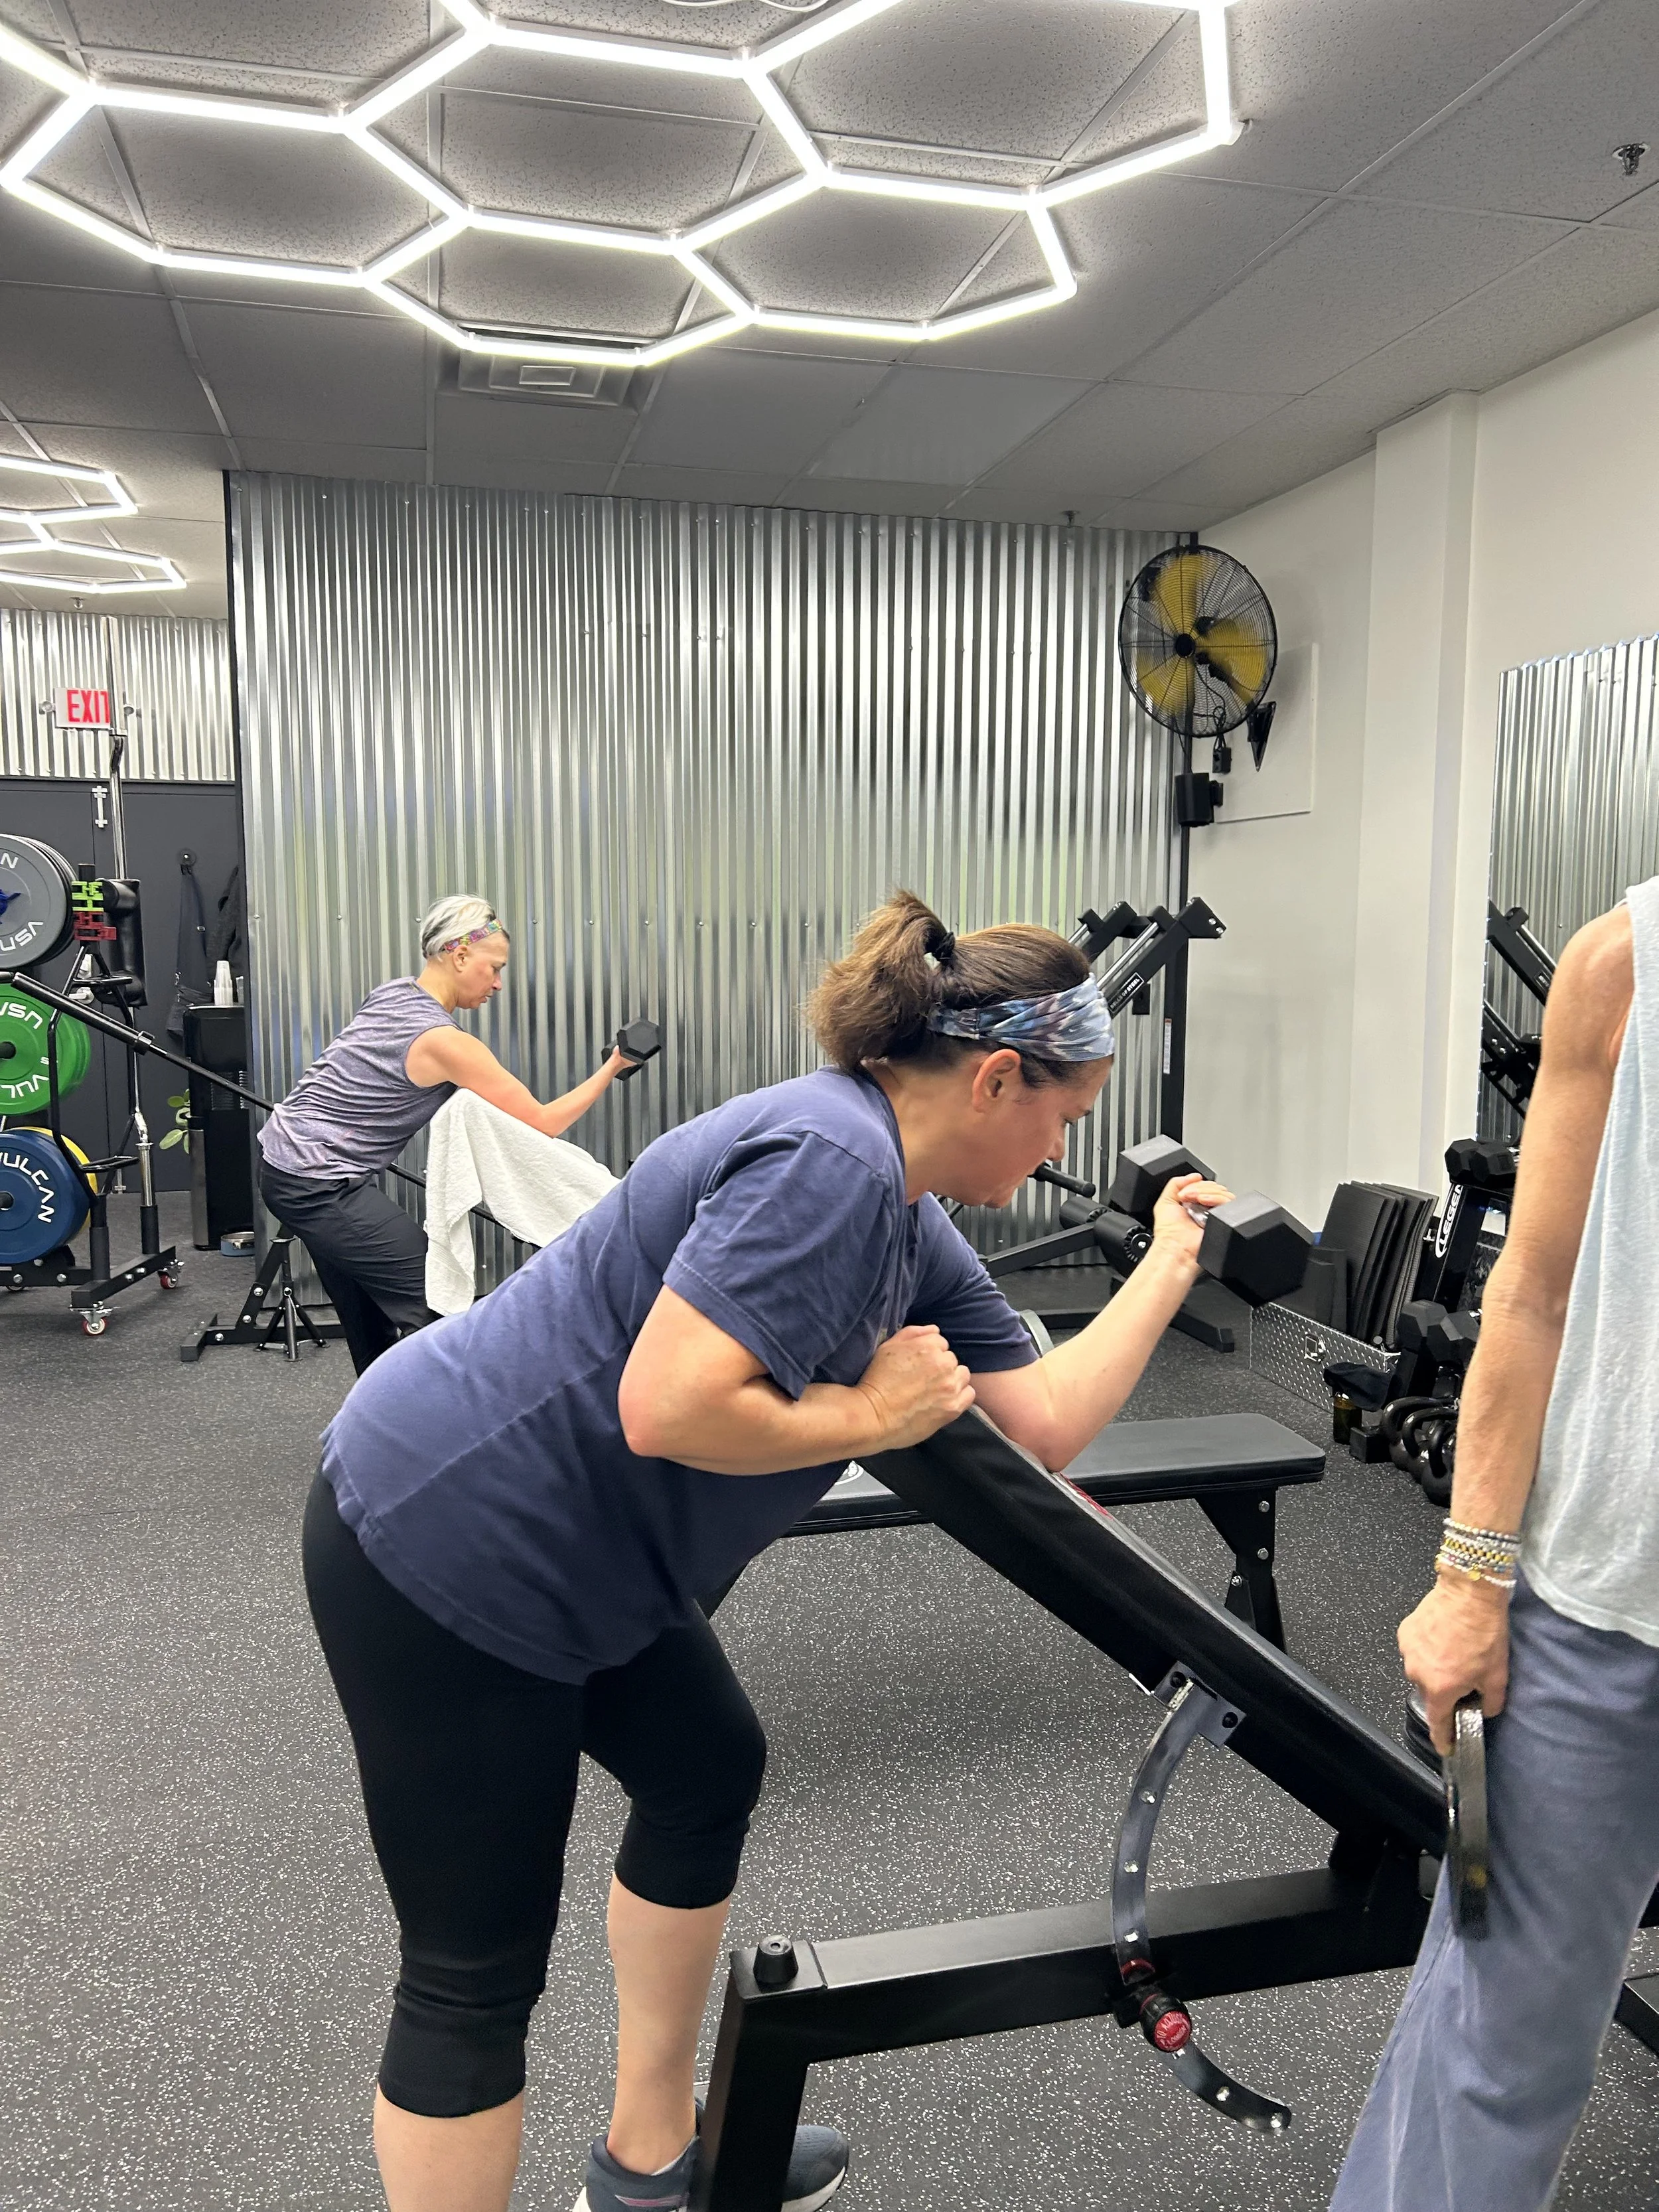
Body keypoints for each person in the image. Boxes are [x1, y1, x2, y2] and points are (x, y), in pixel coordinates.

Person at [299, 889, 1235, 2212]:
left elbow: (1040, 1425)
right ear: (995, 1077)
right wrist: (870, 1412)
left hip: (587, 1557)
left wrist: (1170, 1258)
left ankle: (648, 2162)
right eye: (1060, 1117)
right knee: (474, 1967)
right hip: (443, 1536)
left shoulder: (909, 1213)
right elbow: (667, 1402)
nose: (1053, 1147)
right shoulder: (829, 1158)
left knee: (703, 1766)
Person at [1332, 883, 1659, 2212]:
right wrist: (1468, 1576)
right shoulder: (1621, 962)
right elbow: (1526, 1289)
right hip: (1594, 1613)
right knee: (1492, 2034)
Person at [258, 893, 636, 1376]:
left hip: (286, 1164)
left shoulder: (393, 992)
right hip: (317, 1183)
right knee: (437, 1305)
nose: (498, 982)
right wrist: (613, 1066)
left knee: (367, 1315)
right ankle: (443, 1433)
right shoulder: (446, 1042)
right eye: (494, 967)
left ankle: (378, 1436)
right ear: (459, 956)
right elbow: (543, 1122)